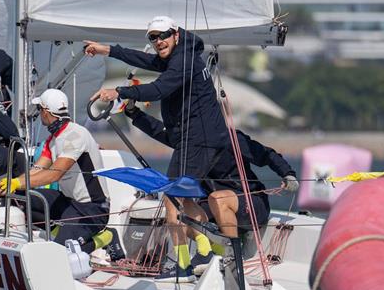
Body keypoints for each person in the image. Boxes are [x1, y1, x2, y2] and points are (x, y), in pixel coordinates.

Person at [85, 16, 230, 282]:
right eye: (153, 37)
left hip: (198, 141)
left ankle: (185, 265)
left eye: (163, 35)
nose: (158, 41)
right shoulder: (180, 56)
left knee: (170, 202)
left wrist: (118, 91)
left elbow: (159, 89)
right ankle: (212, 249)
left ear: (175, 34)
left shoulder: (183, 61)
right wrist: (106, 49)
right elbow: (144, 61)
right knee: (185, 202)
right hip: (201, 141)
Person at [125, 103, 299, 277]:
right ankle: (195, 258)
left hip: (251, 204)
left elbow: (267, 154)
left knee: (218, 198)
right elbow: (159, 131)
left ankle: (231, 258)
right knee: (176, 204)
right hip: (212, 205)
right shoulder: (190, 141)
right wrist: (134, 113)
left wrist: (288, 174)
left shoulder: (231, 139)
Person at [0, 89, 119, 262]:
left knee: (61, 254)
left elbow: (54, 175)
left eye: (39, 110)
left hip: (92, 209)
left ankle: (106, 237)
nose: (39, 114)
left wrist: (17, 182)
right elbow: (37, 170)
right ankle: (59, 231)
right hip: (68, 202)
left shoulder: (76, 135)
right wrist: (12, 183)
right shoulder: (52, 140)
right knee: (21, 196)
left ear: (45, 111)